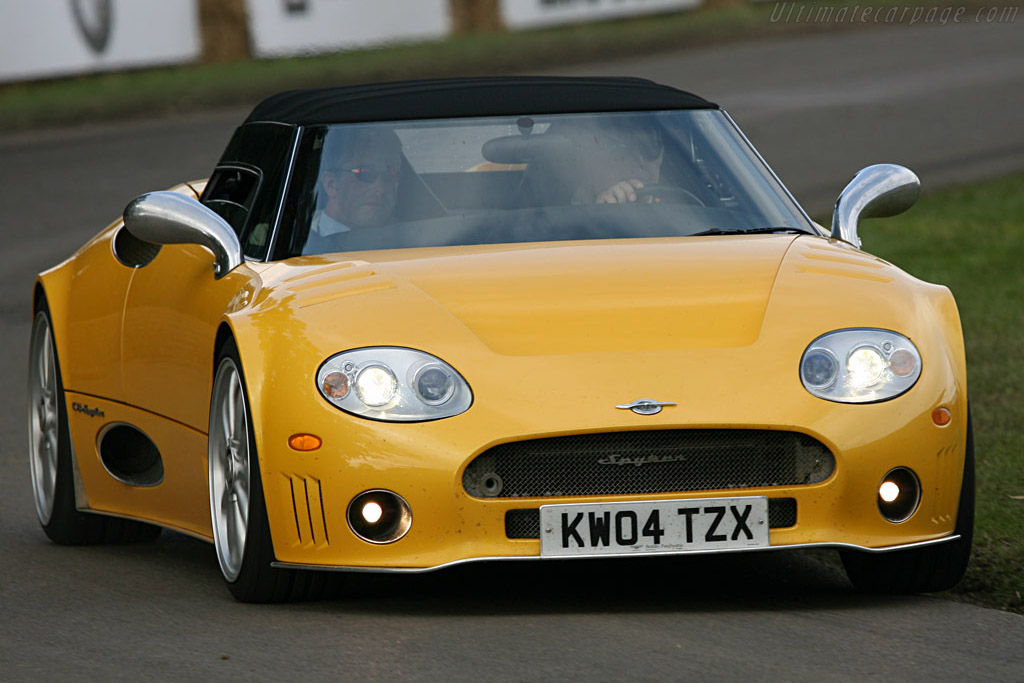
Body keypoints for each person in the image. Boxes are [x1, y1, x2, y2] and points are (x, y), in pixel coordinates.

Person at [309, 126, 404, 247]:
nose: (380, 188)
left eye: (390, 177)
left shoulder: (414, 245)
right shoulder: (292, 243)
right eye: (365, 174)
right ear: (331, 184)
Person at [569, 120, 664, 205]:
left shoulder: (676, 206)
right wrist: (600, 211)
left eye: (650, 148)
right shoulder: (575, 213)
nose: (640, 162)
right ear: (589, 162)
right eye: (622, 150)